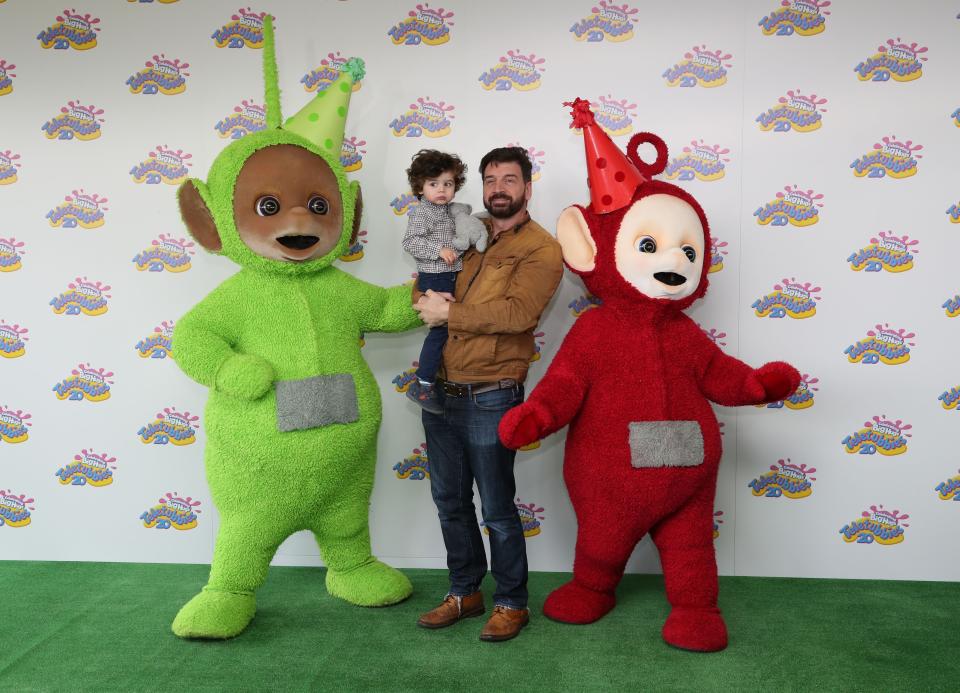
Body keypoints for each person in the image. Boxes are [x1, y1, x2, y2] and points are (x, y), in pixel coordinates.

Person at [413, 146, 563, 642]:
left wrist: (449, 314)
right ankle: (465, 592)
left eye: (510, 179)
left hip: (491, 394)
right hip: (442, 392)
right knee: (449, 501)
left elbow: (519, 314)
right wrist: (424, 295)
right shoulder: (467, 231)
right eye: (491, 178)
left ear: (527, 187)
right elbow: (433, 278)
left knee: (497, 508)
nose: (499, 187)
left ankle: (511, 602)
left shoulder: (541, 247)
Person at [402, 149, 485, 414]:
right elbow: (410, 242)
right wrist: (439, 249)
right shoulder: (422, 213)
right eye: (433, 184)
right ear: (420, 186)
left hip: (450, 275)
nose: (441, 190)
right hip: (435, 275)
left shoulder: (450, 211)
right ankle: (423, 383)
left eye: (447, 184)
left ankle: (435, 378)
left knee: (449, 329)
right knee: (439, 332)